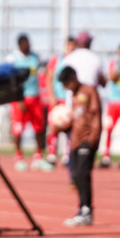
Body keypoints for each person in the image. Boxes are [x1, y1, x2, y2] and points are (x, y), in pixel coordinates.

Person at [59, 66, 102, 226]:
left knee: (83, 175)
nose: (66, 88)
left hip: (87, 140)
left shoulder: (89, 91)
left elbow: (96, 114)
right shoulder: (75, 95)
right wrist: (63, 126)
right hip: (75, 141)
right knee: (77, 176)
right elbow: (75, 119)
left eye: (66, 84)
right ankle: (82, 209)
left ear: (73, 79)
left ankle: (86, 211)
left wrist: (93, 138)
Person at [8, 34, 52, 172]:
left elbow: (42, 73)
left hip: (35, 97)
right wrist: (17, 98)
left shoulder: (35, 57)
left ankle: (38, 156)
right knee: (18, 128)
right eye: (26, 44)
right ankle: (18, 157)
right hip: (20, 99)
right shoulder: (12, 59)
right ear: (20, 45)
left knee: (39, 127)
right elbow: (11, 81)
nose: (28, 46)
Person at [46, 37, 77, 166]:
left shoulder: (77, 60)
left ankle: (67, 154)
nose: (71, 47)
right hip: (57, 98)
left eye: (73, 45)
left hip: (70, 99)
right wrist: (52, 96)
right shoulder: (56, 59)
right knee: (54, 126)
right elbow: (49, 77)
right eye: (69, 45)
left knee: (70, 128)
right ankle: (52, 154)